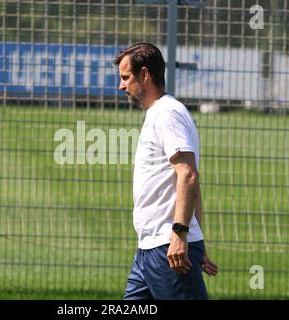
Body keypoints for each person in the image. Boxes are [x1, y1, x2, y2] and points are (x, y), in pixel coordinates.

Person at [113, 42, 219, 300]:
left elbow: (188, 175)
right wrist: (194, 235)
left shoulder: (167, 114)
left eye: (126, 78)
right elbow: (191, 181)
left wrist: (182, 235)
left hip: (166, 249)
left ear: (145, 75)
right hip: (149, 250)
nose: (121, 86)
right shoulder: (157, 114)